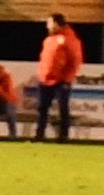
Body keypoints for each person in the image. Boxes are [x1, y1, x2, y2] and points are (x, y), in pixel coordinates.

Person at [34, 13, 83, 141]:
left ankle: (63, 136)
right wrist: (42, 75)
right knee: (42, 108)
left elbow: (75, 60)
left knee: (63, 108)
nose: (47, 26)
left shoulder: (69, 39)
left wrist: (67, 79)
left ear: (56, 24)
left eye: (49, 23)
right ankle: (39, 135)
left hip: (61, 80)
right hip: (45, 80)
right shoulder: (48, 40)